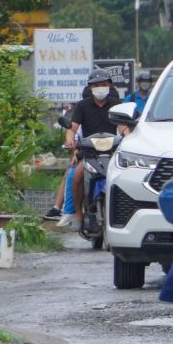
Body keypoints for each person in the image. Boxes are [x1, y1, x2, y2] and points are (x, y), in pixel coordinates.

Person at [63, 69, 121, 232]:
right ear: (90, 87)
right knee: (76, 175)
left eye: (103, 84)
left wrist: (128, 137)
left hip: (113, 152)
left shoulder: (117, 104)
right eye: (96, 85)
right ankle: (79, 216)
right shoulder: (82, 106)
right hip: (89, 152)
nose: (100, 88)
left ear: (109, 85)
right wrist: (70, 139)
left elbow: (124, 127)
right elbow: (72, 129)